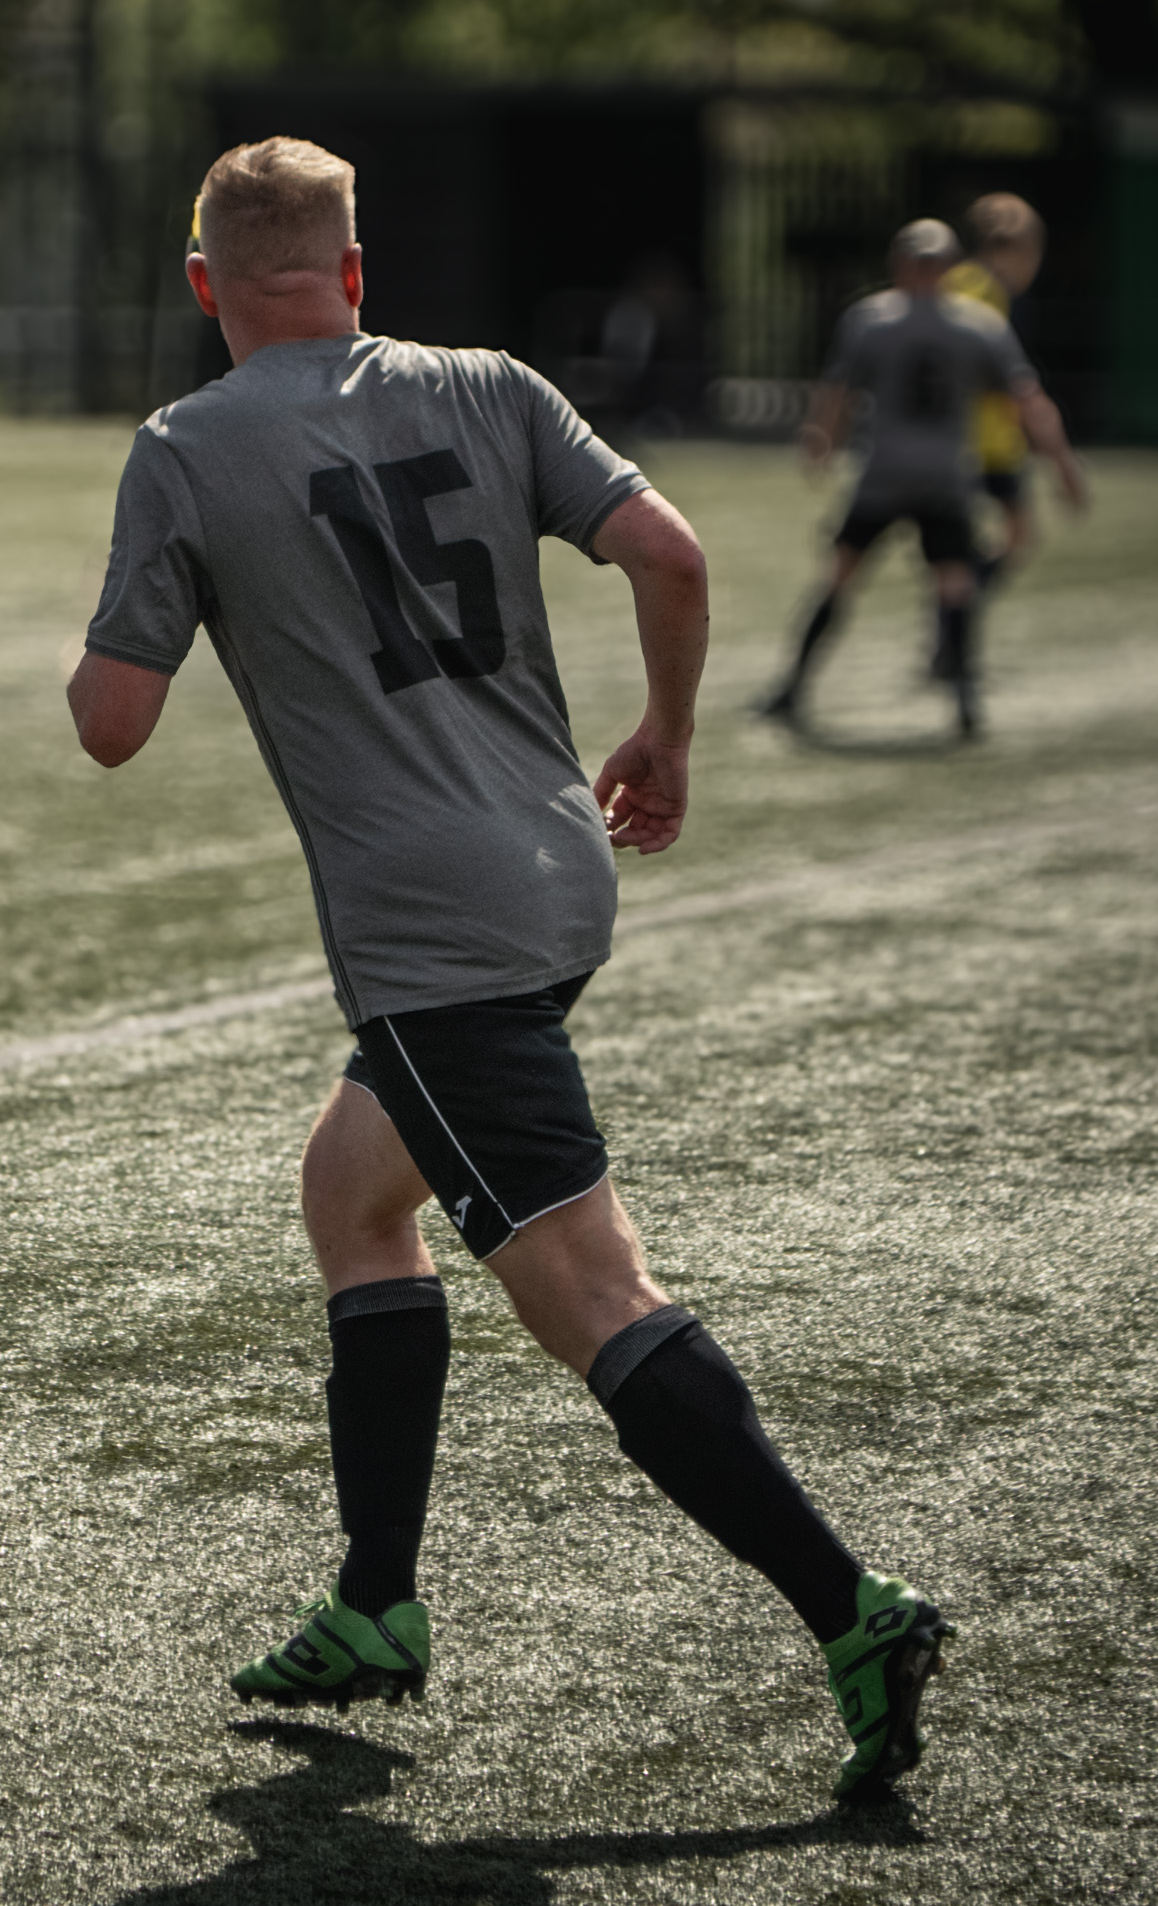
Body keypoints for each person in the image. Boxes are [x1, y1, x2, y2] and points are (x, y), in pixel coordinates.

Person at [68, 135, 951, 1804]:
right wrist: (666, 738)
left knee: (589, 1293)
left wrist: (112, 627)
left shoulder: (185, 446)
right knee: (353, 1193)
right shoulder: (490, 382)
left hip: (433, 938)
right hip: (557, 873)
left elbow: (113, 726)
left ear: (201, 285)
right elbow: (673, 555)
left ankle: (854, 1607)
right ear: (354, 272)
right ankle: (376, 1602)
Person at [758, 218, 1084, 738]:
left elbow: (838, 390)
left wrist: (821, 438)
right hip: (944, 476)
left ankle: (791, 689)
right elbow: (1029, 401)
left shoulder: (870, 319)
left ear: (898, 263)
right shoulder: (978, 325)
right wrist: (1063, 465)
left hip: (883, 473)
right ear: (951, 266)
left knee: (841, 576)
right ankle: (965, 701)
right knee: (954, 584)